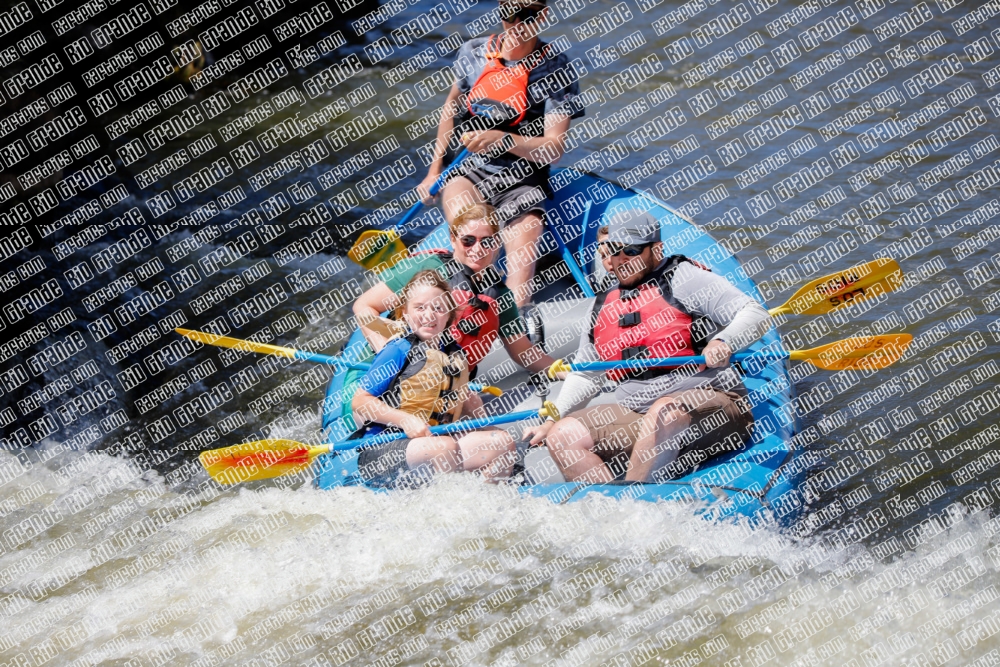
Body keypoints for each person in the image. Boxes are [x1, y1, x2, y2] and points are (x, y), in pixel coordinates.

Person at [521, 209, 772, 483]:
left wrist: (723, 341)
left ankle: (636, 497)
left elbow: (755, 313)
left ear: (656, 249)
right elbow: (586, 373)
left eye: (631, 251)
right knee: (562, 435)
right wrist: (551, 420)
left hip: (712, 403)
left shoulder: (685, 278)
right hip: (638, 413)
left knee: (664, 410)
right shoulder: (604, 303)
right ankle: (613, 512)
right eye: (614, 251)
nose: (620, 260)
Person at [416, 0, 584, 309]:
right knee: (468, 230)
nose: (518, 22)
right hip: (469, 172)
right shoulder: (473, 52)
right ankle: (467, 303)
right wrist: (434, 170)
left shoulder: (556, 68)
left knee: (521, 271)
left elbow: (554, 149)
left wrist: (504, 140)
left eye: (529, 14)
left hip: (523, 179)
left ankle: (514, 318)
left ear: (543, 15)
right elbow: (451, 108)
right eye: (510, 14)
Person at [353, 203, 560, 377]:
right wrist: (387, 353)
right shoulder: (427, 268)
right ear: (453, 239)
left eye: (486, 241)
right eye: (468, 240)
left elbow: (523, 351)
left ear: (497, 244)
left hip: (443, 384)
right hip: (386, 372)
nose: (477, 249)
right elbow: (364, 306)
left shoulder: (499, 296)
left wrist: (565, 372)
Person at [352, 270, 515, 486]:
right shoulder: (398, 350)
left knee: (502, 442)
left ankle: (485, 503)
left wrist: (485, 424)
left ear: (449, 316)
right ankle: (445, 514)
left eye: (438, 308)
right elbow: (360, 401)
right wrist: (405, 420)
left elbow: (463, 401)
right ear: (406, 315)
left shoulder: (454, 354)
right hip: (385, 447)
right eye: (420, 307)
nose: (429, 315)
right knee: (444, 447)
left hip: (434, 442)